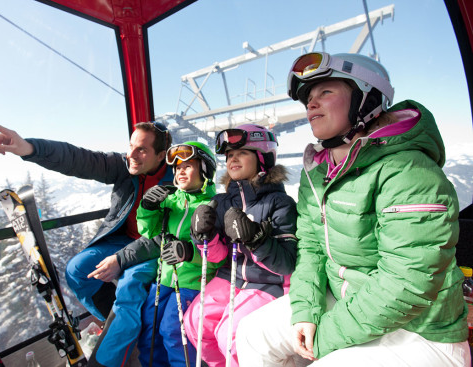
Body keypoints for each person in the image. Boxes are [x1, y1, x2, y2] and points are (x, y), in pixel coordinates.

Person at [235, 52, 471, 367]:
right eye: (308, 98)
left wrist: (325, 335)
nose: (311, 105)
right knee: (251, 333)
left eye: (325, 92)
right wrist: (306, 310)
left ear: (366, 99)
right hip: (346, 300)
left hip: (419, 328)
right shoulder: (317, 172)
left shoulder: (408, 169)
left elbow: (410, 281)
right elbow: (311, 249)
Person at [0, 118, 174, 367]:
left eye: (142, 150)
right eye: (131, 146)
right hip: (123, 240)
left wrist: (120, 260)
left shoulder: (177, 181)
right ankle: (123, 327)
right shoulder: (124, 167)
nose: (132, 155)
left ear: (161, 156)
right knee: (78, 270)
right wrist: (29, 148)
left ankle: (108, 355)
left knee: (128, 290)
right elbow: (79, 159)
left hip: (151, 248)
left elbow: (169, 235)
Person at [184, 124, 298, 367]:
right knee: (195, 321)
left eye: (242, 152)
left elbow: (286, 263)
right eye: (229, 155)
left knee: (232, 334)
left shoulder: (280, 203)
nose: (233, 159)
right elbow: (216, 257)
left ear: (263, 158)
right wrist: (203, 237)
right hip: (230, 277)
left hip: (268, 282)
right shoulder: (221, 201)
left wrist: (256, 239)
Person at [111, 141, 224, 367]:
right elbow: (149, 230)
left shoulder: (214, 206)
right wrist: (148, 207)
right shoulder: (170, 200)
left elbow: (218, 255)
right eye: (177, 167)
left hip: (192, 281)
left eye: (188, 165)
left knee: (174, 331)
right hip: (163, 279)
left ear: (205, 170)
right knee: (149, 330)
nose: (180, 170)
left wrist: (188, 252)